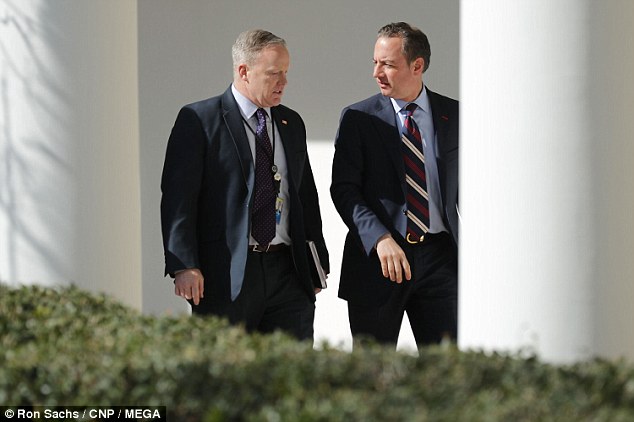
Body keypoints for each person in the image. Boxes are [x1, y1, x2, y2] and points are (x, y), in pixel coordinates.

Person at [161, 29, 329, 341]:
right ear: (244, 71)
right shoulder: (200, 119)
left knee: (291, 366)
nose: (283, 82)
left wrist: (316, 263)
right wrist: (184, 265)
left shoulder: (291, 122)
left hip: (288, 271)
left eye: (286, 72)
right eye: (274, 73)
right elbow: (178, 199)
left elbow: (305, 195)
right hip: (228, 274)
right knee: (227, 366)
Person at [331, 22, 458, 347]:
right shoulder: (358, 118)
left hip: (441, 261)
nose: (377, 73)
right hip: (379, 261)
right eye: (375, 62)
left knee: (446, 367)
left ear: (417, 66)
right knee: (373, 368)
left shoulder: (455, 115)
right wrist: (379, 238)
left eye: (387, 64)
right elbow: (344, 189)